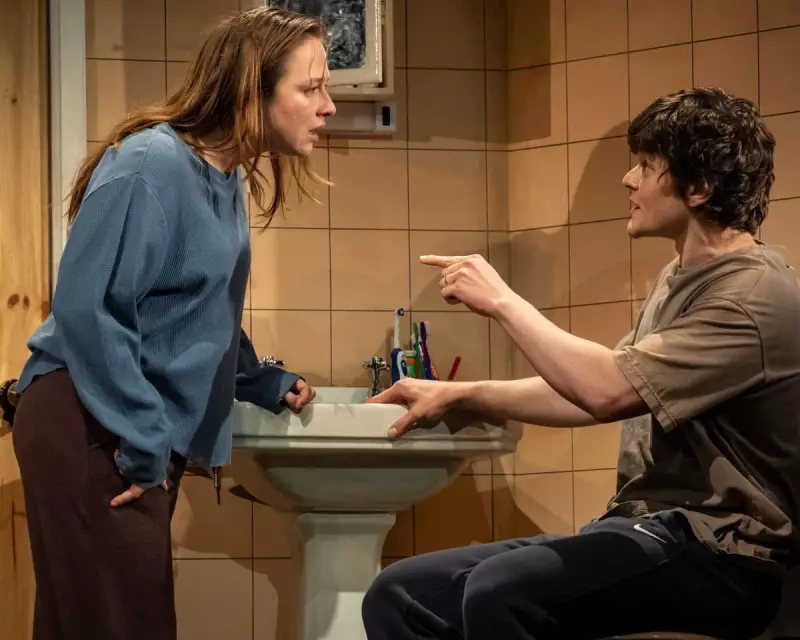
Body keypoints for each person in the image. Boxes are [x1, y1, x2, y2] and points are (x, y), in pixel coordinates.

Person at [362, 87, 800, 640]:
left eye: (646, 166)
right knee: (402, 594)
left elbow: (606, 390)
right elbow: (593, 387)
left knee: (502, 590)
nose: (628, 180)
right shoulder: (679, 279)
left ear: (699, 188)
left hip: (724, 556)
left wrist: (502, 301)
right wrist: (461, 393)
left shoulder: (752, 298)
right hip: (648, 529)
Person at [11, 6, 335, 640]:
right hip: (91, 418)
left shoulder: (221, 176)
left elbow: (196, 305)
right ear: (250, 89)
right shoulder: (152, 163)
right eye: (311, 88)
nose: (327, 107)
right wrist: (144, 434)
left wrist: (255, 378)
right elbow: (87, 307)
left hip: (119, 420)